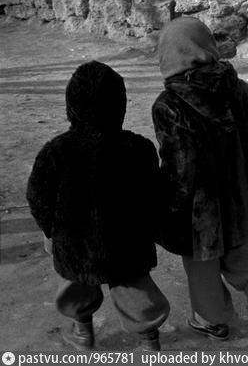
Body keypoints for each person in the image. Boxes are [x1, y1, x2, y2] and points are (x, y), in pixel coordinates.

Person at [27, 61, 169, 351]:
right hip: (128, 243)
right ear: (120, 104)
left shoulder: (56, 151)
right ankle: (149, 341)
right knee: (137, 292)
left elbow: (38, 197)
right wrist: (153, 227)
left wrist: (49, 232)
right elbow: (155, 193)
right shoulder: (139, 148)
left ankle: (83, 332)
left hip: (75, 244)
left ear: (71, 105)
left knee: (75, 286)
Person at [152, 17, 248, 341]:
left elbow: (179, 164)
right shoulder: (240, 88)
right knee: (237, 248)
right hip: (240, 192)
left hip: (200, 206)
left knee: (201, 264)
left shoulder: (169, 103)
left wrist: (171, 207)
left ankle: (213, 320)